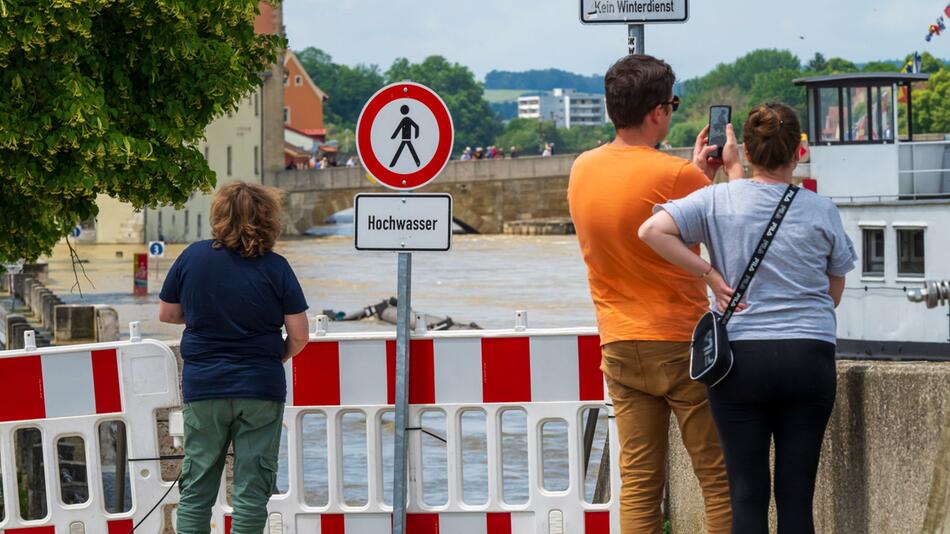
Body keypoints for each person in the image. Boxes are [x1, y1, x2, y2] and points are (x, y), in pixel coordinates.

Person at [639, 103, 857, 534]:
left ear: (747, 153)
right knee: (797, 498)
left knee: (746, 495)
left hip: (740, 362)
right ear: (799, 150)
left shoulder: (717, 199)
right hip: (808, 357)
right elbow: (834, 290)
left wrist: (708, 273)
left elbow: (651, 231)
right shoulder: (821, 210)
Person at [568, 54, 736, 534]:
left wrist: (691, 176)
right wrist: (706, 175)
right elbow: (698, 221)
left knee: (639, 481)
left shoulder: (581, 169)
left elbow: (634, 212)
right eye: (673, 104)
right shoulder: (677, 177)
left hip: (619, 344)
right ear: (658, 112)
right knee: (717, 478)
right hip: (680, 344)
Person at [159, 181, 310, 533]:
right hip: (260, 386)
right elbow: (300, 334)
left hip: (205, 385)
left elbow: (167, 314)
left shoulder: (192, 257)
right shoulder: (276, 267)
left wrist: (202, 316)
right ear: (268, 218)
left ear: (218, 216)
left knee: (197, 486)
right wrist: (279, 357)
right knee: (251, 489)